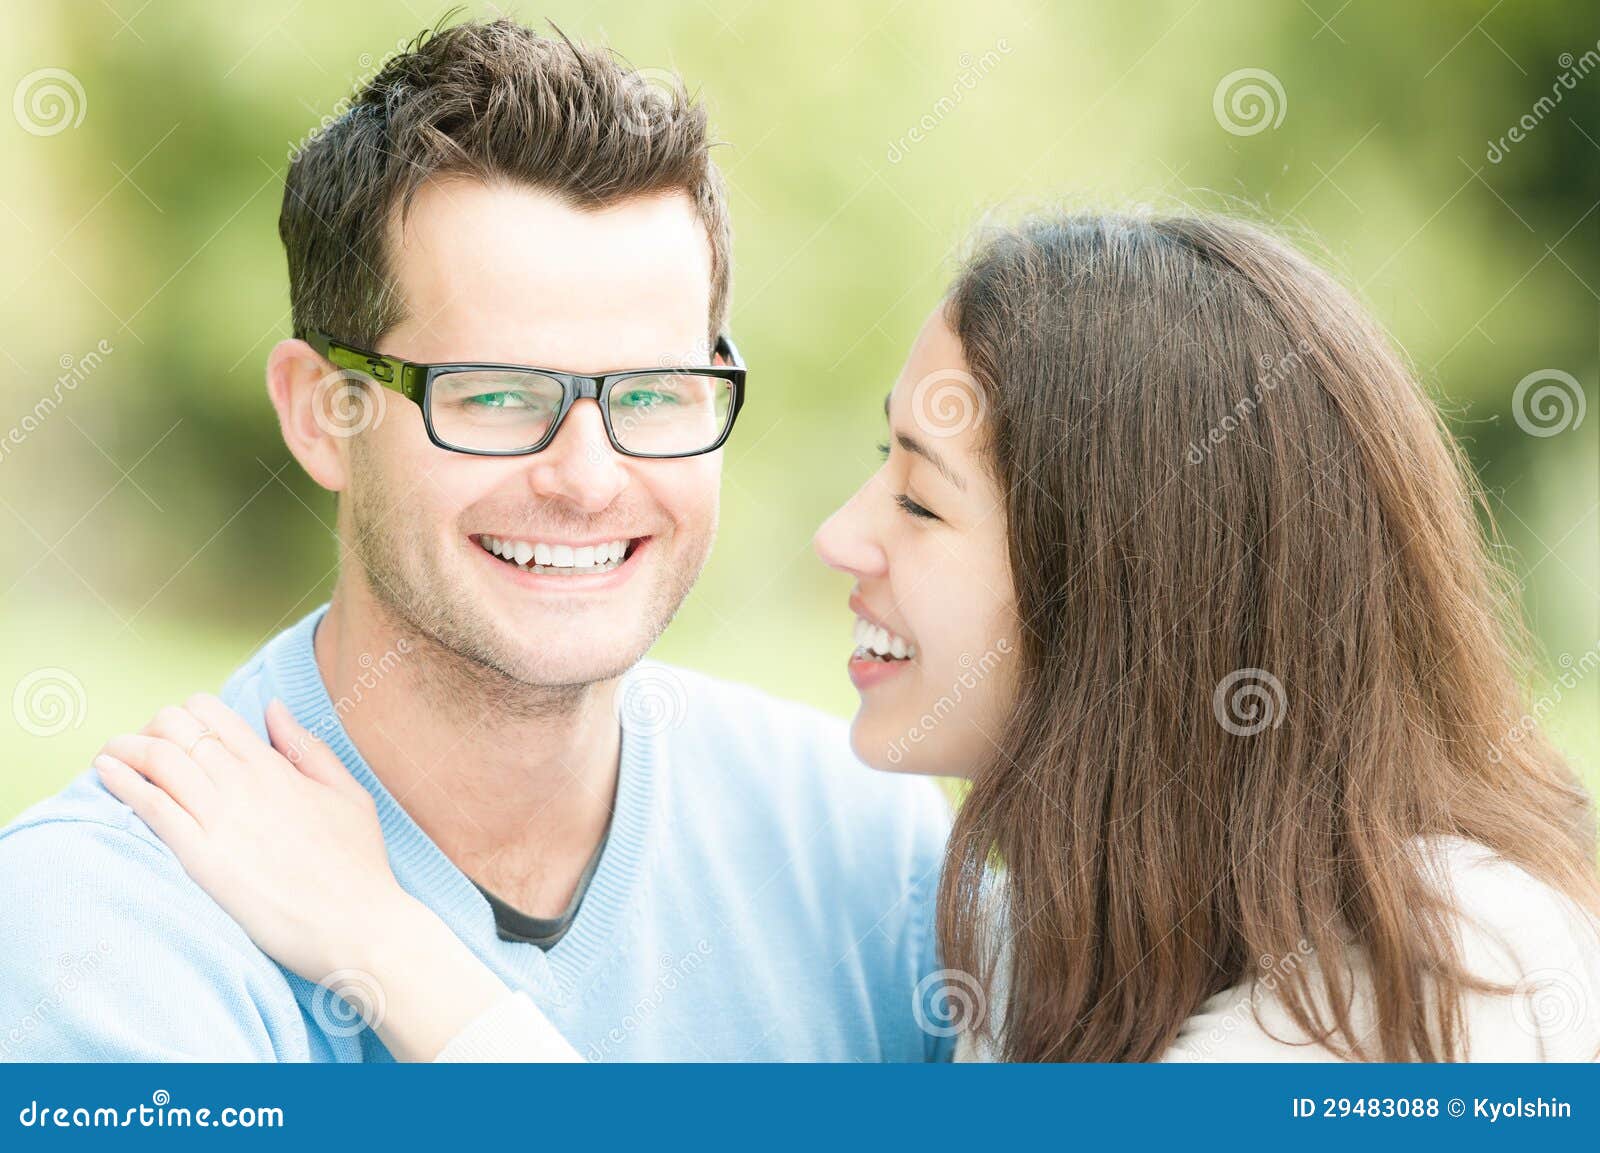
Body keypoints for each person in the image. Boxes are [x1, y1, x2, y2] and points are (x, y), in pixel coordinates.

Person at [93, 210, 1600, 1062]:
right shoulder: (1033, 949)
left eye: (924, 503)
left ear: (1117, 586)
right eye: (499, 393)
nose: (840, 537)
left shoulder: (1449, 985)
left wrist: (386, 950)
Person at [0, 20, 953, 1063]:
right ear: (323, 413)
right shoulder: (95, 936)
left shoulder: (869, 852)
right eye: (494, 393)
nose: (587, 479)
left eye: (651, 392)